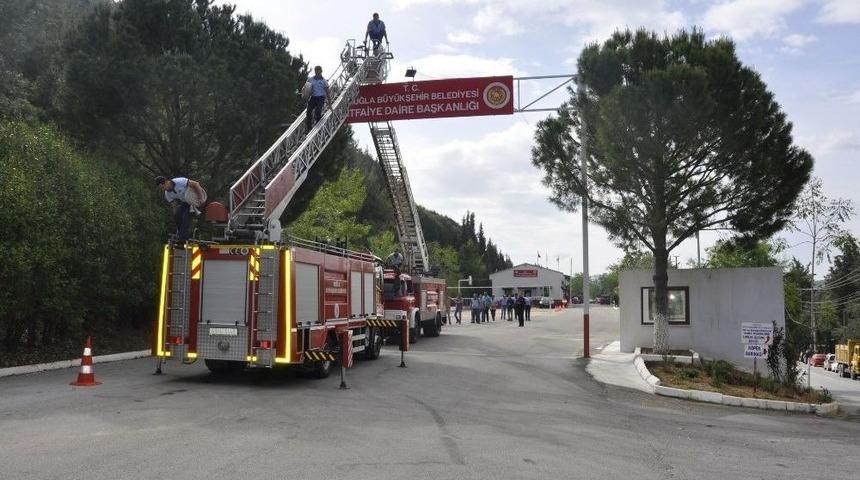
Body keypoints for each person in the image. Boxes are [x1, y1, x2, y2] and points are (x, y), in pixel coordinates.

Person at [156, 175, 207, 244]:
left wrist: (201, 198)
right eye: (161, 189)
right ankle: (181, 234)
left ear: (166, 182)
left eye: (163, 187)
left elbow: (196, 184)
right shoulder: (167, 194)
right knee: (177, 215)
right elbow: (174, 206)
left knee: (186, 217)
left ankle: (182, 240)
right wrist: (177, 218)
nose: (163, 189)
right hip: (185, 202)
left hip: (195, 199)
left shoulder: (179, 181)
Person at [305, 65, 331, 132]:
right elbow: (306, 88)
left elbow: (328, 93)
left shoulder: (324, 81)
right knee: (308, 111)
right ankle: (309, 127)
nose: (317, 72)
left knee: (318, 111)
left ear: (321, 71)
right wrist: (305, 96)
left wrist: (330, 104)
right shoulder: (310, 79)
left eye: (318, 71)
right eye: (316, 71)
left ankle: (318, 127)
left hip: (320, 98)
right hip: (313, 97)